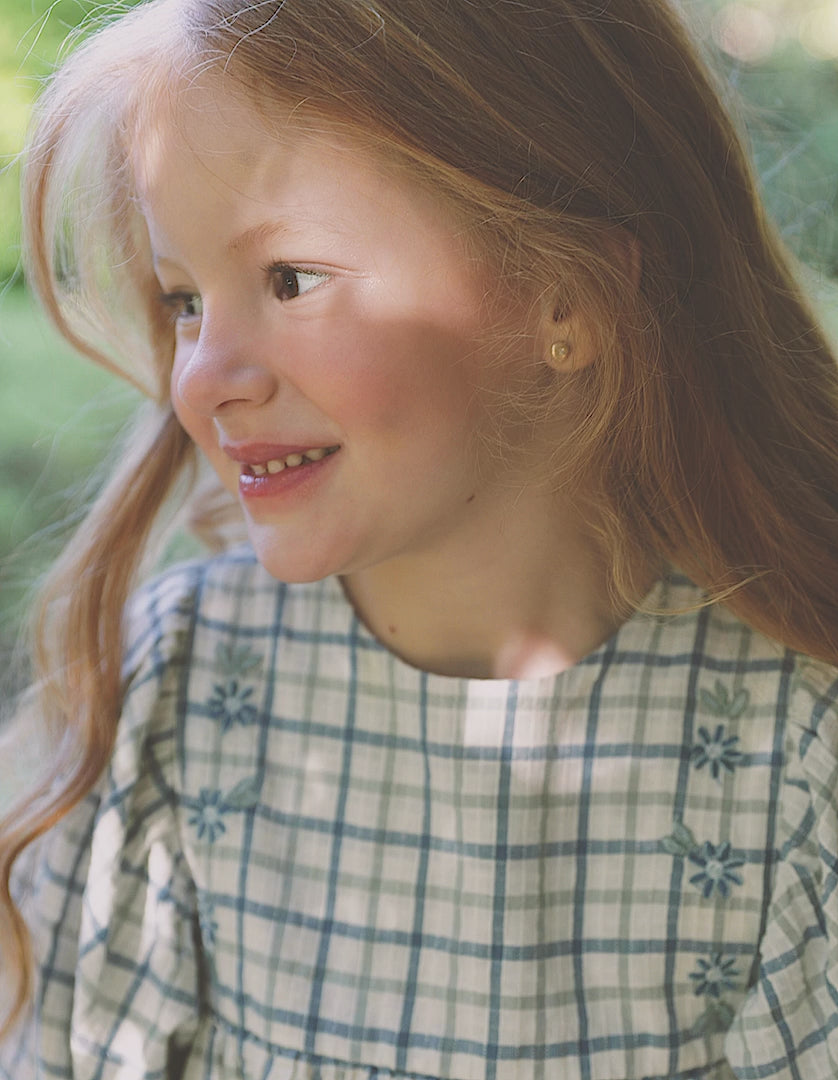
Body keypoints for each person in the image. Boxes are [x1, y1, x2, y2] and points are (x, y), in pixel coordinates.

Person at [1, 0, 838, 1075]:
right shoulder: (182, 689)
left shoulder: (788, 757)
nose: (201, 377)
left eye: (290, 279)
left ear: (563, 297)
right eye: (185, 300)